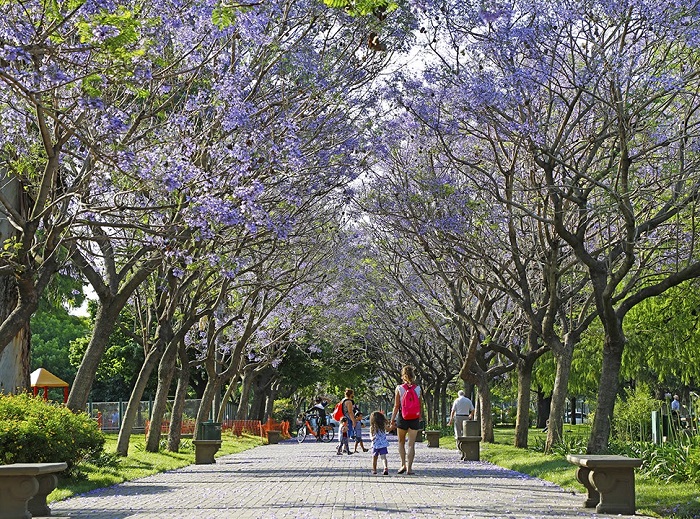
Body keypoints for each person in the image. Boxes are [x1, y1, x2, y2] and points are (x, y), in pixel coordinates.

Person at [390, 365, 422, 475]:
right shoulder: (418, 389)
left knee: (401, 442)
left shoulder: (399, 388)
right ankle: (409, 468)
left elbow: (396, 405)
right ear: (413, 376)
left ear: (403, 376)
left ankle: (402, 464)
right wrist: (420, 416)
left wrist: (392, 419)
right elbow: (420, 405)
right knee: (411, 444)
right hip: (414, 418)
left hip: (402, 417)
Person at [370, 411, 389, 475]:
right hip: (383, 444)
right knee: (383, 457)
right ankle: (385, 468)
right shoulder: (383, 426)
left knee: (374, 458)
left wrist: (372, 438)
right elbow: (388, 429)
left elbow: (371, 435)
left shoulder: (372, 427)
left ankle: (374, 470)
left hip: (375, 444)